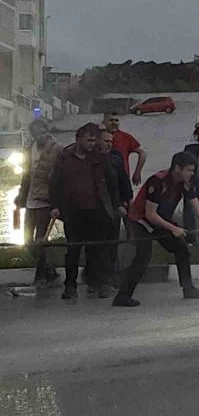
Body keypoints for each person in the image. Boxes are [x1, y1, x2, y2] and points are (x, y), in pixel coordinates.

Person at [113, 152, 199, 307]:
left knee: (181, 247)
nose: (192, 174)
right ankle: (123, 296)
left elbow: (197, 209)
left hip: (160, 220)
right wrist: (174, 228)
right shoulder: (157, 181)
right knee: (144, 256)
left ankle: (188, 288)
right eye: (189, 170)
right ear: (177, 168)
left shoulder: (186, 183)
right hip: (140, 220)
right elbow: (150, 214)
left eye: (193, 170)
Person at [50, 123, 123, 300]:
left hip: (97, 210)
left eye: (94, 140)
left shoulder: (99, 158)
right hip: (73, 212)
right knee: (73, 250)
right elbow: (55, 183)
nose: (92, 144)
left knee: (98, 249)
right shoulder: (64, 157)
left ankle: (98, 283)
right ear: (79, 138)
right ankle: (70, 286)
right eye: (89, 140)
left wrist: (117, 205)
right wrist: (55, 206)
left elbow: (111, 183)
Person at [83, 130, 134, 289]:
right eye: (106, 141)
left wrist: (128, 201)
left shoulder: (115, 158)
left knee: (112, 243)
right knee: (93, 244)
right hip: (92, 207)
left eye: (111, 141)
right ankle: (93, 278)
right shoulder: (89, 159)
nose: (109, 144)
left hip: (113, 207)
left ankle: (108, 278)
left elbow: (123, 182)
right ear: (97, 141)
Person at [16, 120, 63, 288]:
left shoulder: (57, 149)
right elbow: (26, 174)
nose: (39, 136)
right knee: (27, 240)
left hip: (45, 200)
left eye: (42, 132)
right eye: (36, 133)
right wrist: (21, 195)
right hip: (30, 199)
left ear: (47, 131)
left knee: (40, 239)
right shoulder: (29, 149)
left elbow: (60, 174)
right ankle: (50, 269)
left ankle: (41, 275)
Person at [103, 111, 147, 185]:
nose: (114, 123)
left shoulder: (126, 137)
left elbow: (143, 153)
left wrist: (137, 172)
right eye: (111, 120)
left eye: (116, 120)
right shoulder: (98, 137)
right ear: (104, 122)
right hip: (103, 179)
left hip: (122, 179)